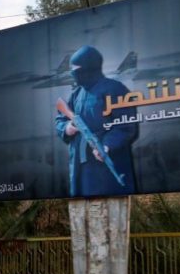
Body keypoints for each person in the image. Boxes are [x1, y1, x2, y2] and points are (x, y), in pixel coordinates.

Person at [55, 45, 137, 197]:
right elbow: (60, 118)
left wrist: (106, 146)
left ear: (89, 68)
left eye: (77, 69)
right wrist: (68, 127)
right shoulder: (76, 93)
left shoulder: (116, 90)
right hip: (79, 169)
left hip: (104, 170)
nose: (74, 73)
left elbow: (126, 125)